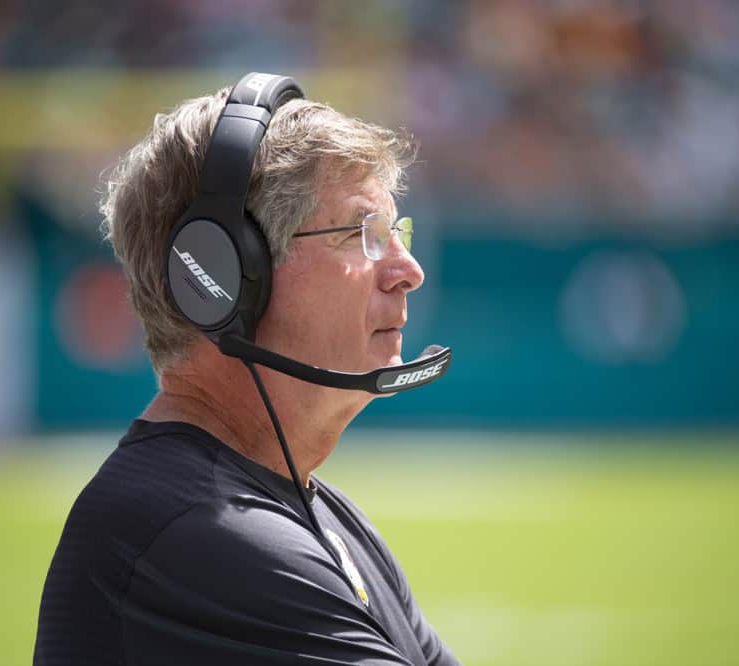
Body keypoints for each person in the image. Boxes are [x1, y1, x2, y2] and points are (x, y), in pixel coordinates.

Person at [34, 73, 458, 665]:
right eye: (366, 235)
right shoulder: (194, 530)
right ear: (227, 277)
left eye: (397, 233)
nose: (408, 269)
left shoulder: (322, 517)